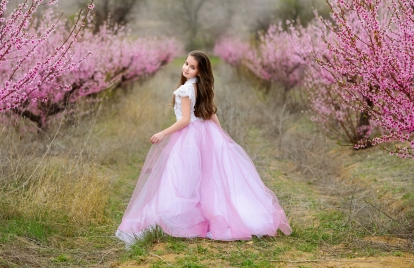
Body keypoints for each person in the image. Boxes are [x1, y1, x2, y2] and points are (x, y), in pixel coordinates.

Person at [115, 50, 292, 246]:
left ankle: (191, 221)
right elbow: (210, 114)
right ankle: (205, 218)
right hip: (205, 134)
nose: (187, 68)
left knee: (186, 178)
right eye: (186, 64)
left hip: (190, 137)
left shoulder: (185, 90)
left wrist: (163, 133)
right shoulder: (201, 87)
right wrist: (220, 135)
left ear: (199, 72)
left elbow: (184, 120)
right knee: (207, 178)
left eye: (192, 67)